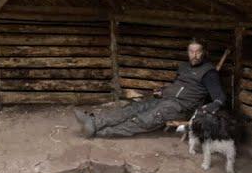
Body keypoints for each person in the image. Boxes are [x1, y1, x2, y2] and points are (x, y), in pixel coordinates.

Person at [74, 38, 226, 138]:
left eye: (198, 51)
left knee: (143, 119)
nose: (194, 55)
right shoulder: (184, 67)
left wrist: (202, 112)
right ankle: (95, 121)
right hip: (166, 99)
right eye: (191, 51)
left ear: (203, 52)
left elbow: (219, 98)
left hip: (180, 107)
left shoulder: (209, 72)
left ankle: (101, 132)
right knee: (133, 108)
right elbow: (177, 86)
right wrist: (163, 91)